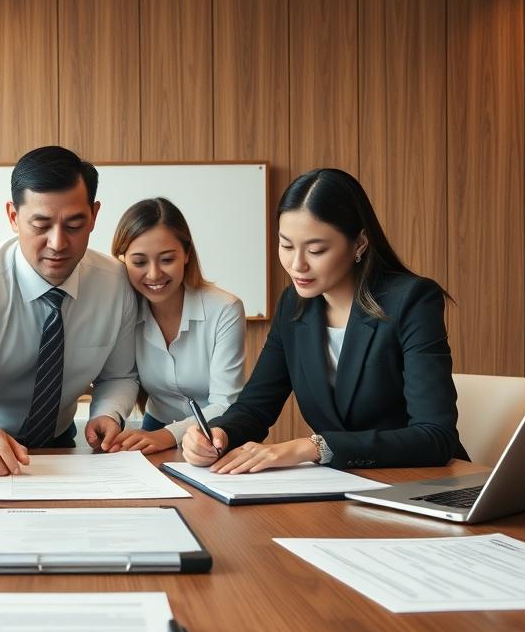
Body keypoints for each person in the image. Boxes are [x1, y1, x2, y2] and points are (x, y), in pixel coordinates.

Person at [183, 167, 468, 472]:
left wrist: (314, 446)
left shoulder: (412, 300)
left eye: (316, 250)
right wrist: (219, 434)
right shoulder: (293, 306)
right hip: (343, 489)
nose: (297, 265)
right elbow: (255, 407)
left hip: (418, 483)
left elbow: (435, 437)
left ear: (359, 243)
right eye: (286, 245)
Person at [0, 145, 139, 476]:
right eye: (40, 224)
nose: (58, 243)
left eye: (74, 225)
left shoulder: (116, 283)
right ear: (13, 217)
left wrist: (109, 413)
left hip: (56, 441)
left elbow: (118, 375)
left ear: (94, 216)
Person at [106, 197, 245, 455]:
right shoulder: (123, 310)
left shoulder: (225, 309)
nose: (154, 274)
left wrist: (168, 435)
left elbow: (227, 403)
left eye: (167, 259)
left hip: (215, 434)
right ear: (123, 260)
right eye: (139, 262)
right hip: (155, 429)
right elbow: (119, 377)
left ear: (187, 254)